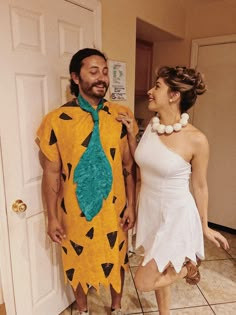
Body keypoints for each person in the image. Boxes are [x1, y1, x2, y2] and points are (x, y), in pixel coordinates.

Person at [117, 66, 229, 315]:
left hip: (175, 215)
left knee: (144, 281)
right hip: (151, 210)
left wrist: (205, 226)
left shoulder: (196, 139)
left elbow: (200, 186)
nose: (149, 91)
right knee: (159, 266)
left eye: (157, 86)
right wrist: (132, 135)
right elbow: (143, 161)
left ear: (174, 95)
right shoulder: (152, 128)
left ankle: (187, 267)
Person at [36, 48, 138, 315]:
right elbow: (50, 173)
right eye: (93, 72)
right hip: (73, 210)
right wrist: (52, 217)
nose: (102, 77)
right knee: (76, 258)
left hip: (114, 207)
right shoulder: (56, 120)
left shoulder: (121, 115)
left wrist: (132, 205)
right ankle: (82, 309)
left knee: (117, 257)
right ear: (76, 77)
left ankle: (116, 307)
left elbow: (129, 166)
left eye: (105, 71)